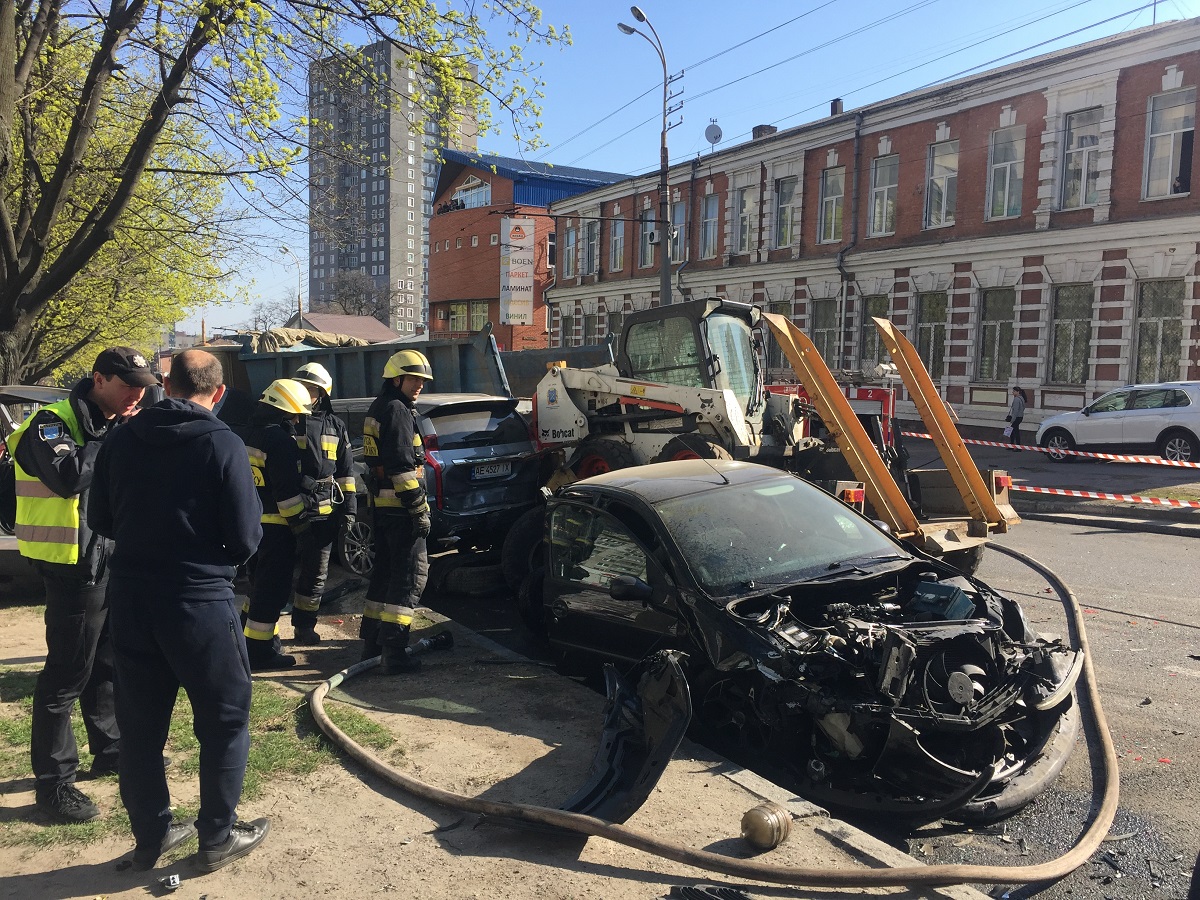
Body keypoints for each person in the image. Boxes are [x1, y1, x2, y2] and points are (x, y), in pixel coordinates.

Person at [89, 348, 270, 872]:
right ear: (217, 394)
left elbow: (101, 516)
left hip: (131, 598)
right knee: (225, 719)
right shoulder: (224, 443)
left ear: (166, 387)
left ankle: (153, 834)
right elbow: (244, 537)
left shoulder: (122, 437)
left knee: (140, 726)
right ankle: (216, 837)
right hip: (198, 602)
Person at [7, 347, 154, 823]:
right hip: (71, 565)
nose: (137, 394)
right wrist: (116, 438)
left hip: (108, 559)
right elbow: (69, 478)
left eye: (143, 386)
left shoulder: (113, 424)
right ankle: (54, 786)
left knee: (106, 661)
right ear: (99, 379)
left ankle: (109, 748)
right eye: (128, 385)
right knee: (65, 675)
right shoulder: (51, 424)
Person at [361, 349, 433, 674]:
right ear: (396, 378)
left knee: (384, 575)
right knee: (408, 579)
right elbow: (404, 469)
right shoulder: (397, 411)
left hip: (383, 510)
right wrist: (419, 509)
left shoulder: (380, 407)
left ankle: (372, 644)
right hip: (403, 512)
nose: (419, 384)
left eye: (422, 379)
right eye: (414, 378)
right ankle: (395, 652)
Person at [241, 378, 317, 670]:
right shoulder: (280, 441)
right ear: (283, 412)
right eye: (295, 415)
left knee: (258, 587)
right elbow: (286, 497)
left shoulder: (247, 435)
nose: (298, 421)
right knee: (272, 590)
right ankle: (260, 653)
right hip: (276, 528)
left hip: (251, 527)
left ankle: (250, 642)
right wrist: (302, 529)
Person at [289, 362, 357, 644]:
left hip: (324, 513)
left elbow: (346, 472)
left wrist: (350, 509)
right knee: (275, 573)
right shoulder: (287, 421)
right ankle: (255, 625)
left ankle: (304, 627)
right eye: (303, 386)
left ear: (323, 393)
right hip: (289, 513)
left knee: (316, 575)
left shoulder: (336, 425)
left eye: (313, 388)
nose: (307, 392)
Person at [1006, 387, 1028, 451]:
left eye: (1014, 391)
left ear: (1018, 392)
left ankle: (1017, 446)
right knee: (1014, 431)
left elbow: (1015, 410)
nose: (1013, 392)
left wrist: (1012, 419)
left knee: (1014, 431)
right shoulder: (1022, 398)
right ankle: (1012, 445)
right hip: (1020, 417)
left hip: (1016, 417)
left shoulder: (1016, 399)